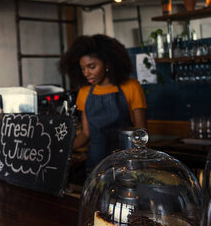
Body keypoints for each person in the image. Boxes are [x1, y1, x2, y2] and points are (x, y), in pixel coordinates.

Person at [59, 34, 147, 170]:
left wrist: (140, 163)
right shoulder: (84, 92)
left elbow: (141, 133)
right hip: (96, 163)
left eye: (92, 66)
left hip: (127, 161)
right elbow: (85, 134)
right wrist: (62, 149)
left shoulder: (131, 87)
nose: (86, 73)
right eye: (83, 69)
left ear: (107, 63)